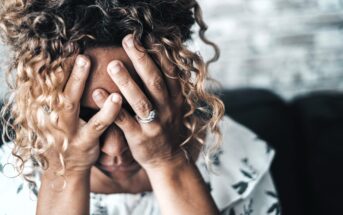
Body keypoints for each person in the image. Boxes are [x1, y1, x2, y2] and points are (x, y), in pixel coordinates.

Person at [0, 0, 280, 214]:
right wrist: (68, 169)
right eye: (85, 118)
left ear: (176, 84)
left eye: (139, 111)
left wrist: (168, 162)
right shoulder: (12, 179)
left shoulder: (241, 162)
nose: (115, 151)